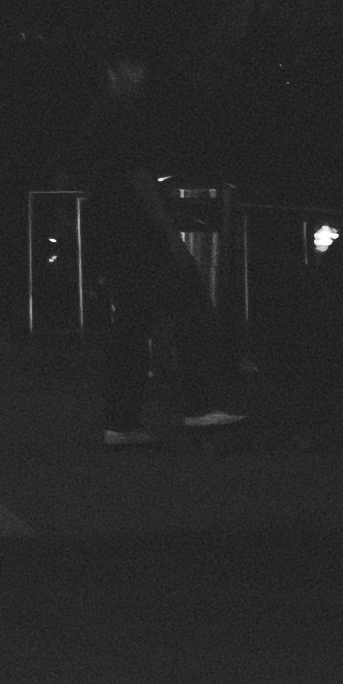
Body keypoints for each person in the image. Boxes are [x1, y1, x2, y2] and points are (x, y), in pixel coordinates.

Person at [66, 51, 245, 448]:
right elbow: (139, 178)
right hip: (139, 232)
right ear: (115, 71)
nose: (141, 74)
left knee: (133, 323)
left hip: (116, 231)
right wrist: (168, 231)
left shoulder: (99, 117)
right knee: (191, 308)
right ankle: (197, 404)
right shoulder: (123, 118)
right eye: (134, 67)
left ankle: (122, 420)